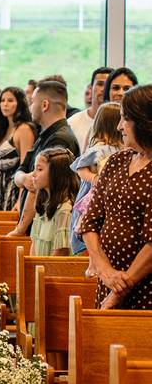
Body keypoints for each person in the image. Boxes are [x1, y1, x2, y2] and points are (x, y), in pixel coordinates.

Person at [81, 84, 152, 311]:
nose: (119, 126)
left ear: (144, 121)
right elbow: (89, 221)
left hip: (144, 290)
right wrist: (106, 271)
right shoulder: (116, 161)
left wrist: (120, 289)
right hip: (109, 282)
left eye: (125, 119)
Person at [9, 80, 80, 236]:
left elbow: (37, 186)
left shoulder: (60, 139)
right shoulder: (44, 135)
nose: (30, 107)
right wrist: (24, 179)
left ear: (45, 105)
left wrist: (20, 229)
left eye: (33, 102)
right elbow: (21, 171)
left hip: (48, 231)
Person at [69, 102, 123, 255]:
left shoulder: (123, 149)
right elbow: (80, 168)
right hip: (91, 196)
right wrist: (94, 179)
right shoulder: (99, 149)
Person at [0, 87, 36, 211]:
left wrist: (20, 201)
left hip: (12, 192)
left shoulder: (24, 129)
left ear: (20, 103)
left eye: (10, 100)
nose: (5, 104)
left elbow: (25, 167)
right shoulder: (1, 130)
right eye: (2, 100)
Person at [29, 148, 78, 256]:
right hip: (39, 266)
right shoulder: (43, 205)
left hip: (51, 266)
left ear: (56, 174)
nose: (33, 174)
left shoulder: (64, 210)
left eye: (39, 169)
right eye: (34, 168)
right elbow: (34, 244)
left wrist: (41, 267)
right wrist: (32, 265)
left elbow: (60, 254)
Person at [67, 67, 112, 153]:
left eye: (108, 85)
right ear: (91, 87)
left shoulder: (121, 126)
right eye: (100, 84)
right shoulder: (73, 123)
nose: (104, 89)